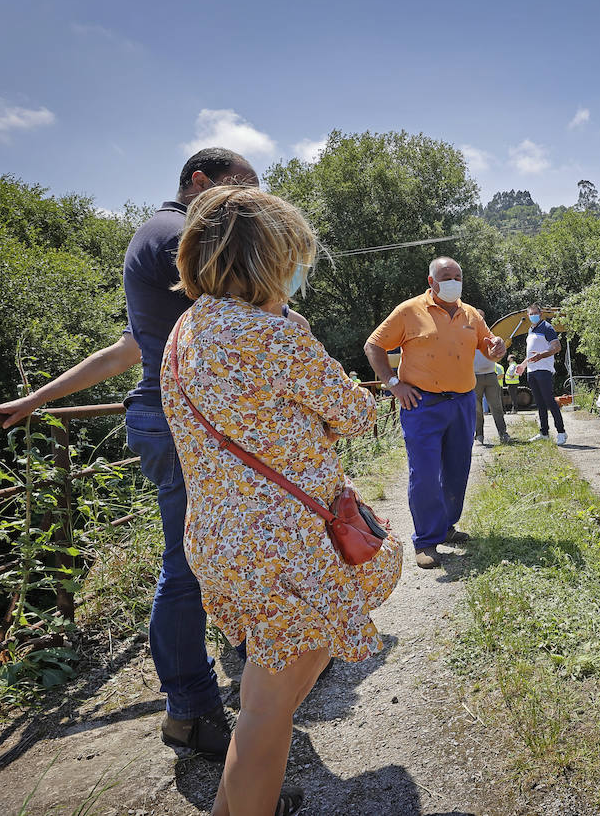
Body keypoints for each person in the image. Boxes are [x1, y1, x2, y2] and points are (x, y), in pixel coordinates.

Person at [0, 148, 289, 760]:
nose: (250, 207)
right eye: (243, 192)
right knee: (189, 563)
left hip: (173, 416)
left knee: (216, 550)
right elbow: (261, 312)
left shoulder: (156, 239)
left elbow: (130, 347)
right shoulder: (183, 232)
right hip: (183, 424)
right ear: (201, 183)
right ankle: (192, 708)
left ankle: (257, 659)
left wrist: (32, 399)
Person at [164, 185, 401, 816]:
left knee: (268, 683)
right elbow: (354, 414)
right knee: (267, 712)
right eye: (294, 256)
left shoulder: (185, 332)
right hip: (285, 541)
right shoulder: (274, 334)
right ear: (272, 259)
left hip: (219, 535)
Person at [363, 258, 505, 568]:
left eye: (457, 276)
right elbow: (373, 345)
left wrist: (496, 349)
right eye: (446, 276)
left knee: (457, 469)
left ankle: (446, 527)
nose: (453, 280)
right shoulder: (410, 310)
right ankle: (426, 541)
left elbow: (488, 345)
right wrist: (393, 383)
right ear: (432, 281)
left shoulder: (470, 314)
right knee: (425, 473)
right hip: (421, 404)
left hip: (463, 402)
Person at [517, 304, 567, 445]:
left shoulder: (547, 328)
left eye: (535, 313)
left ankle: (561, 432)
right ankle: (544, 432)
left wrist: (542, 355)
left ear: (540, 313)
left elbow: (557, 347)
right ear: (528, 315)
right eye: (530, 314)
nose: (533, 315)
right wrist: (523, 365)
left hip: (543, 370)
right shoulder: (530, 330)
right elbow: (531, 353)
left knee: (550, 401)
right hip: (531, 371)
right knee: (539, 403)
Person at [472, 310, 511, 445]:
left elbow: (499, 355)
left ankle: (503, 434)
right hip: (474, 377)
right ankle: (479, 436)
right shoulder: (468, 336)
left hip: (490, 375)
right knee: (476, 409)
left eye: (481, 318)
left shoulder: (492, 336)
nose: (479, 321)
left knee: (496, 407)